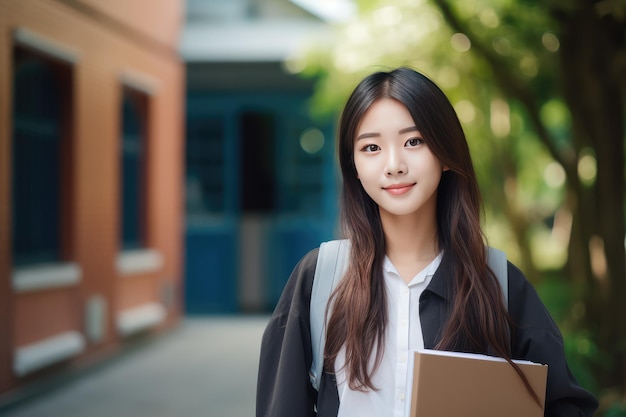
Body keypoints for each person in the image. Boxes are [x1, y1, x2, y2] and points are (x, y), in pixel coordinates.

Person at [256, 67, 598, 417]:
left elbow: (564, 405)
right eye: (371, 147)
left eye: (413, 141)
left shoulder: (496, 282)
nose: (394, 165)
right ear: (354, 166)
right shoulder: (321, 278)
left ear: (445, 153)